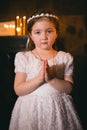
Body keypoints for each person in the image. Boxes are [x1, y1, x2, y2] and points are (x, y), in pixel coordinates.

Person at [9, 9, 83, 130]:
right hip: (30, 110)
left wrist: (52, 79)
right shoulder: (24, 57)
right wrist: (39, 79)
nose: (44, 36)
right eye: (38, 32)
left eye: (49, 31)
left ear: (57, 33)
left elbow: (69, 88)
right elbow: (19, 90)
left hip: (58, 109)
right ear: (30, 35)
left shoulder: (64, 57)